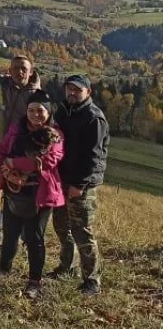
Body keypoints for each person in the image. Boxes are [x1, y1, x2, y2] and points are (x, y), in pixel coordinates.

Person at [0, 91, 65, 299]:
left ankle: (34, 281)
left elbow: (48, 161)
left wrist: (12, 163)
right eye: (31, 110)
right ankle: (4, 267)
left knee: (34, 238)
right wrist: (4, 168)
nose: (35, 114)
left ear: (48, 112)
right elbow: (0, 150)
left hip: (39, 193)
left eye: (40, 110)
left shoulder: (55, 135)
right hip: (14, 190)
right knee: (11, 233)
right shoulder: (16, 129)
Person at [50, 75, 109, 296]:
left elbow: (93, 157)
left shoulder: (93, 118)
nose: (72, 93)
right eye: (69, 89)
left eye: (78, 90)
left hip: (81, 185)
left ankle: (92, 280)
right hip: (60, 181)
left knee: (82, 231)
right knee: (61, 226)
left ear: (88, 92)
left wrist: (79, 184)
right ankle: (67, 267)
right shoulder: (64, 111)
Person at [0, 55, 41, 130]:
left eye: (24, 69)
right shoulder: (4, 84)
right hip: (2, 138)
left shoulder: (37, 95)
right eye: (15, 68)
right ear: (10, 71)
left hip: (24, 138)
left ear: (31, 72)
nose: (19, 72)